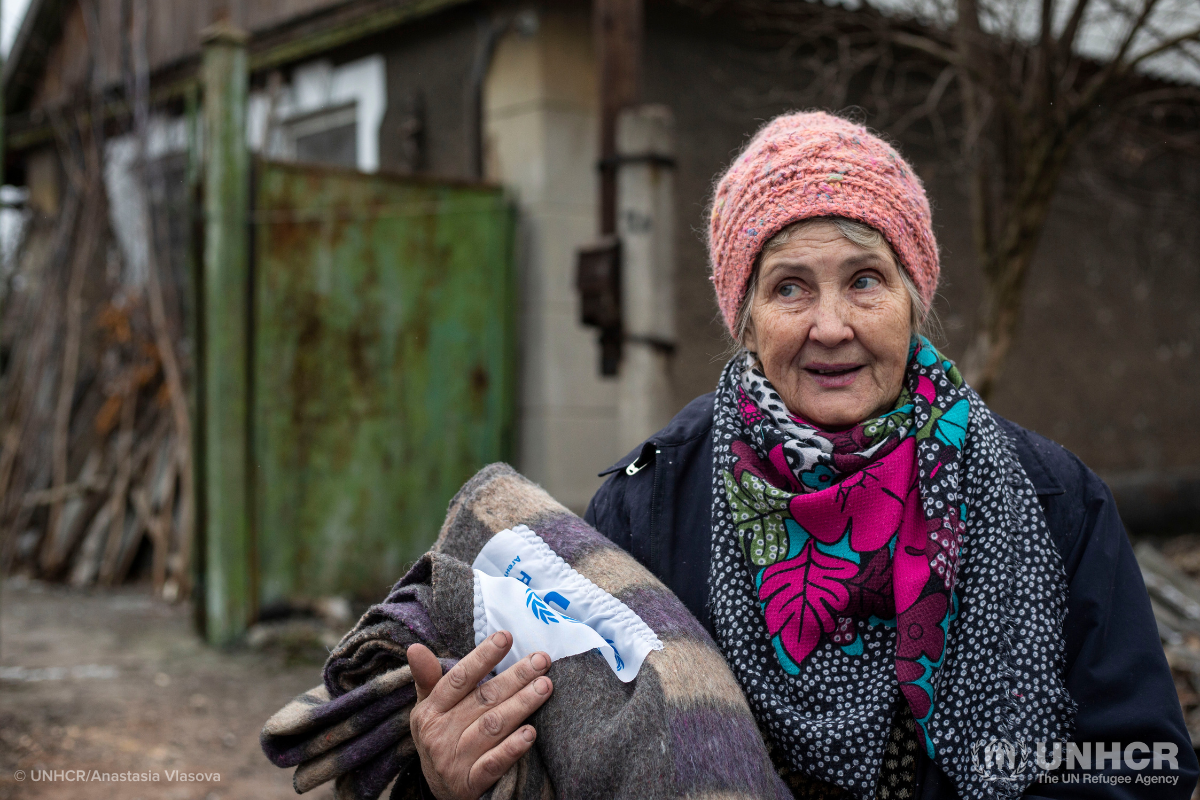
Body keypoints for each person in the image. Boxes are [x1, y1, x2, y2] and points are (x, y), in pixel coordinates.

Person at [406, 112, 1197, 799]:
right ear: (743, 318)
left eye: (864, 280)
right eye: (789, 287)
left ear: (913, 298)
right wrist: (459, 776)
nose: (830, 325)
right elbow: (581, 759)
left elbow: (1144, 760)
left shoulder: (1054, 501)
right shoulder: (651, 504)